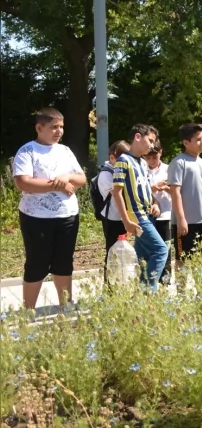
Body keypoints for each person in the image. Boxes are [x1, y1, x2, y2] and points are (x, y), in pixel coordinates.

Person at [12, 108, 86, 309]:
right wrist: (59, 184)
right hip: (36, 217)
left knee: (64, 262)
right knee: (37, 263)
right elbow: (23, 183)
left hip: (67, 215)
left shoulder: (65, 151)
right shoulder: (28, 151)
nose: (59, 131)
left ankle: (65, 306)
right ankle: (28, 310)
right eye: (54, 127)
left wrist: (67, 178)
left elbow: (81, 178)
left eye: (61, 127)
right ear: (39, 127)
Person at [111, 123, 166, 291]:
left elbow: (144, 189)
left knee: (143, 257)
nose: (152, 145)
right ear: (137, 137)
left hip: (148, 214)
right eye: (150, 140)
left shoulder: (142, 163)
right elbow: (117, 192)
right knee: (161, 251)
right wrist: (126, 221)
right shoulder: (123, 161)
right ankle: (150, 291)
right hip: (137, 217)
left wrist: (155, 203)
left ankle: (140, 297)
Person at [167, 123, 202, 267]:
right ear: (186, 142)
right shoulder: (178, 163)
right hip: (185, 223)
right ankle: (182, 290)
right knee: (182, 259)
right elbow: (175, 192)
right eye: (198, 139)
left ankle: (201, 289)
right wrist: (181, 219)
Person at [98, 140, 131, 274]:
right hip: (112, 219)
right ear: (112, 157)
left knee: (123, 252)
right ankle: (110, 287)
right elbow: (118, 194)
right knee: (112, 253)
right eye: (121, 160)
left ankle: (121, 283)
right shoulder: (106, 174)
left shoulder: (118, 171)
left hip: (122, 218)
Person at [145, 140, 173, 284]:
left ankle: (165, 281)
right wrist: (153, 188)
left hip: (166, 214)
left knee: (165, 249)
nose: (151, 161)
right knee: (151, 249)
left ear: (160, 152)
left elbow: (177, 191)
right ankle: (151, 280)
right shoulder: (143, 170)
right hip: (148, 216)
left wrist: (166, 188)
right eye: (148, 158)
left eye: (154, 158)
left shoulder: (168, 169)